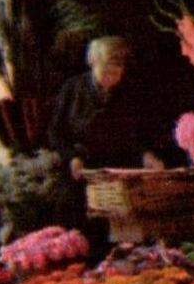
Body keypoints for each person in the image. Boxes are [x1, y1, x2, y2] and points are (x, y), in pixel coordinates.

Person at [48, 35, 164, 237]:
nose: (111, 77)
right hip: (80, 176)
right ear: (92, 62)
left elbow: (136, 136)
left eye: (117, 72)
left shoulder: (129, 91)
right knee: (77, 238)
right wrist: (72, 157)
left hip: (117, 179)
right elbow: (56, 133)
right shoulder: (72, 89)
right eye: (106, 70)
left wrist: (146, 156)